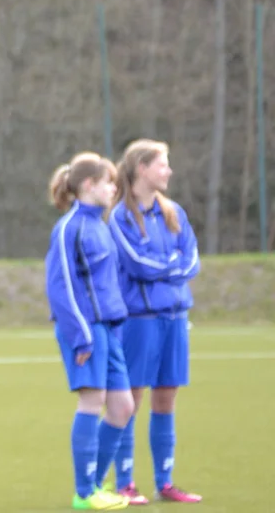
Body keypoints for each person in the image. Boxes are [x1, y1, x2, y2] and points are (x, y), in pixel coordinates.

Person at [106, 139, 202, 504]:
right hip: (139, 321)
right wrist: (172, 267)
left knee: (166, 399)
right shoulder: (120, 217)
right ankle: (125, 483)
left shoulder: (174, 211)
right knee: (130, 400)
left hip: (175, 318)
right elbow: (138, 265)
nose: (169, 171)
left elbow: (192, 260)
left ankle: (165, 482)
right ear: (142, 169)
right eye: (163, 164)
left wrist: (169, 268)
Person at [45, 152, 134, 511]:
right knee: (92, 402)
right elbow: (60, 287)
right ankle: (84, 492)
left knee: (123, 407)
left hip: (108, 331)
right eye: (109, 182)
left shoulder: (102, 225)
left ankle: (95, 484)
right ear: (88, 185)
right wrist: (82, 335)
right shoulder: (69, 227)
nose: (114, 188)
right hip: (86, 331)